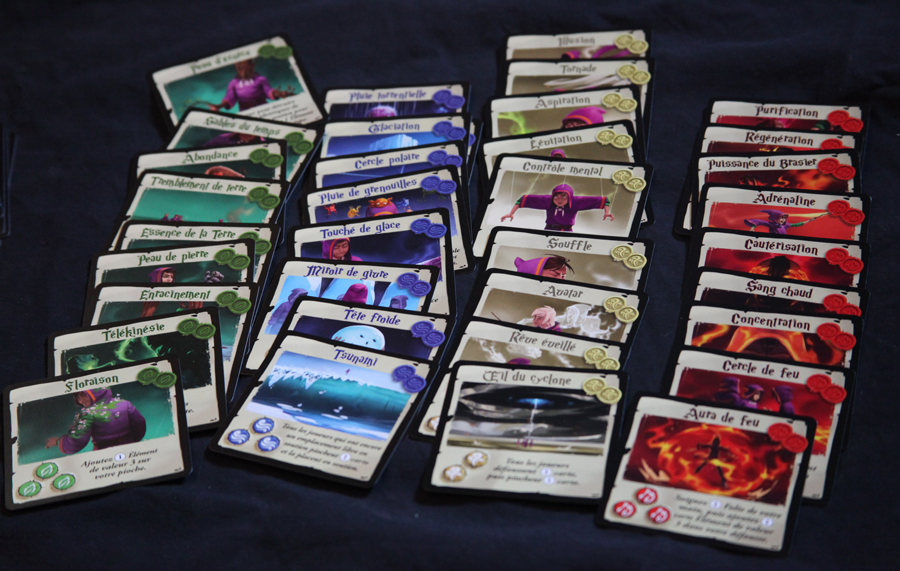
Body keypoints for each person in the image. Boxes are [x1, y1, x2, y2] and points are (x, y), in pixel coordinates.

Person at [45, 389, 146, 454]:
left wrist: (59, 441)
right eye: (78, 397)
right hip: (131, 449)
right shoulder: (124, 403)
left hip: (103, 455)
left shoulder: (88, 413)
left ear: (94, 392)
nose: (81, 400)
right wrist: (130, 440)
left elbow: (77, 441)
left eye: (83, 395)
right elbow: (140, 424)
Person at [501, 183, 613, 231]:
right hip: (549, 229)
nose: (559, 200)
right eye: (556, 197)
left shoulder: (576, 202)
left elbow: (603, 200)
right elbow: (523, 199)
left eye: (564, 197)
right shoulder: (547, 200)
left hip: (567, 231)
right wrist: (511, 213)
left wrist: (607, 212)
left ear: (569, 197)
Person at [208, 59, 293, 112]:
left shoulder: (260, 79)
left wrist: (279, 94)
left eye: (245, 67)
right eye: (240, 68)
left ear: (252, 66)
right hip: (246, 112)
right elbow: (230, 98)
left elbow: (268, 91)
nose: (243, 70)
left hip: (264, 110)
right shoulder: (233, 83)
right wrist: (219, 106)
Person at [744, 209, 825, 235]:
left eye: (784, 219)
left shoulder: (786, 225)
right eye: (781, 218)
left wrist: (809, 221)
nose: (783, 220)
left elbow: (797, 225)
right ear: (776, 219)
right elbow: (759, 222)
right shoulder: (772, 225)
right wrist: (752, 228)